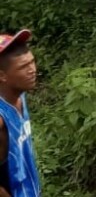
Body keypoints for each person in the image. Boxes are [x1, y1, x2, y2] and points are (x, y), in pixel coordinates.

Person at [0, 30, 40, 197]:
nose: (32, 70)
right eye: (24, 67)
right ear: (2, 76)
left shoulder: (19, 95)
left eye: (32, 62)